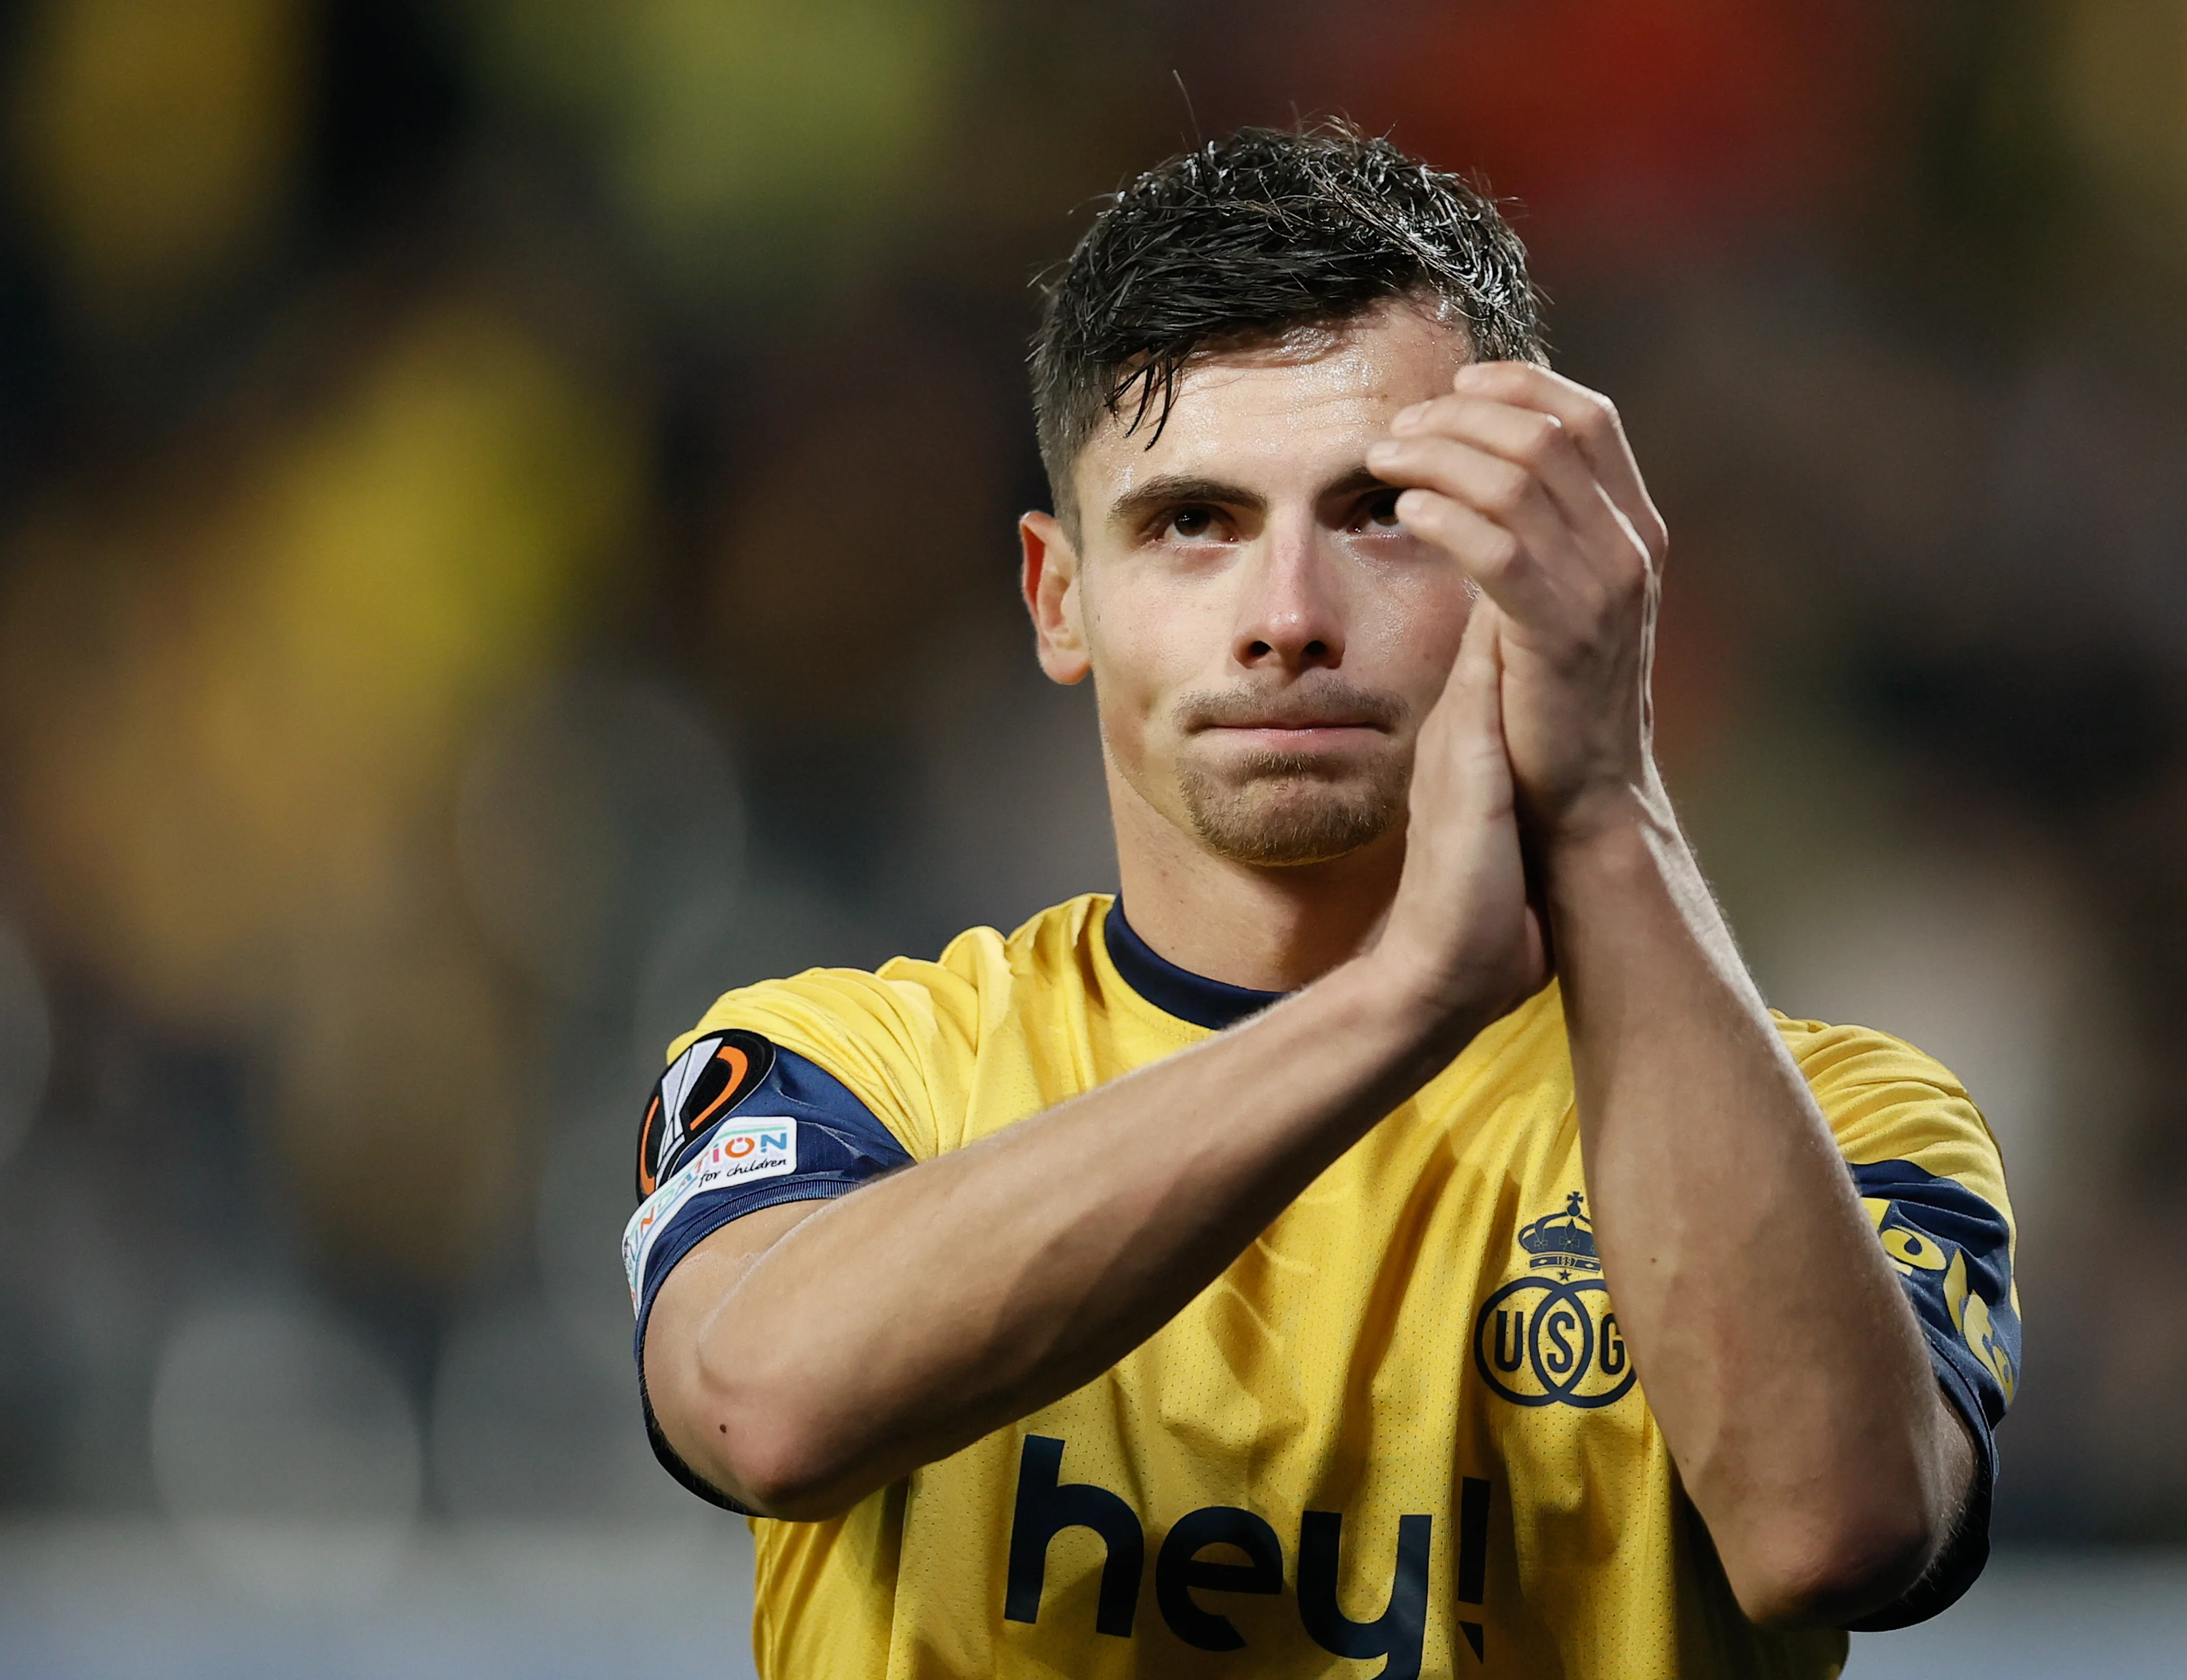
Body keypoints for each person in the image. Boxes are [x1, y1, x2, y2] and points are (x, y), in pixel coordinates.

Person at [623, 123, 2020, 1680]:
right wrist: (1400, 997)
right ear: (1058, 596)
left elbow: (1836, 1527)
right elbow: (762, 1404)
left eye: (1379, 513)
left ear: (1532, 565)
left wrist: (1608, 792)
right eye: (1192, 522)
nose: (1287, 618)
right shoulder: (856, 1066)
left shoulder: (1848, 1119)